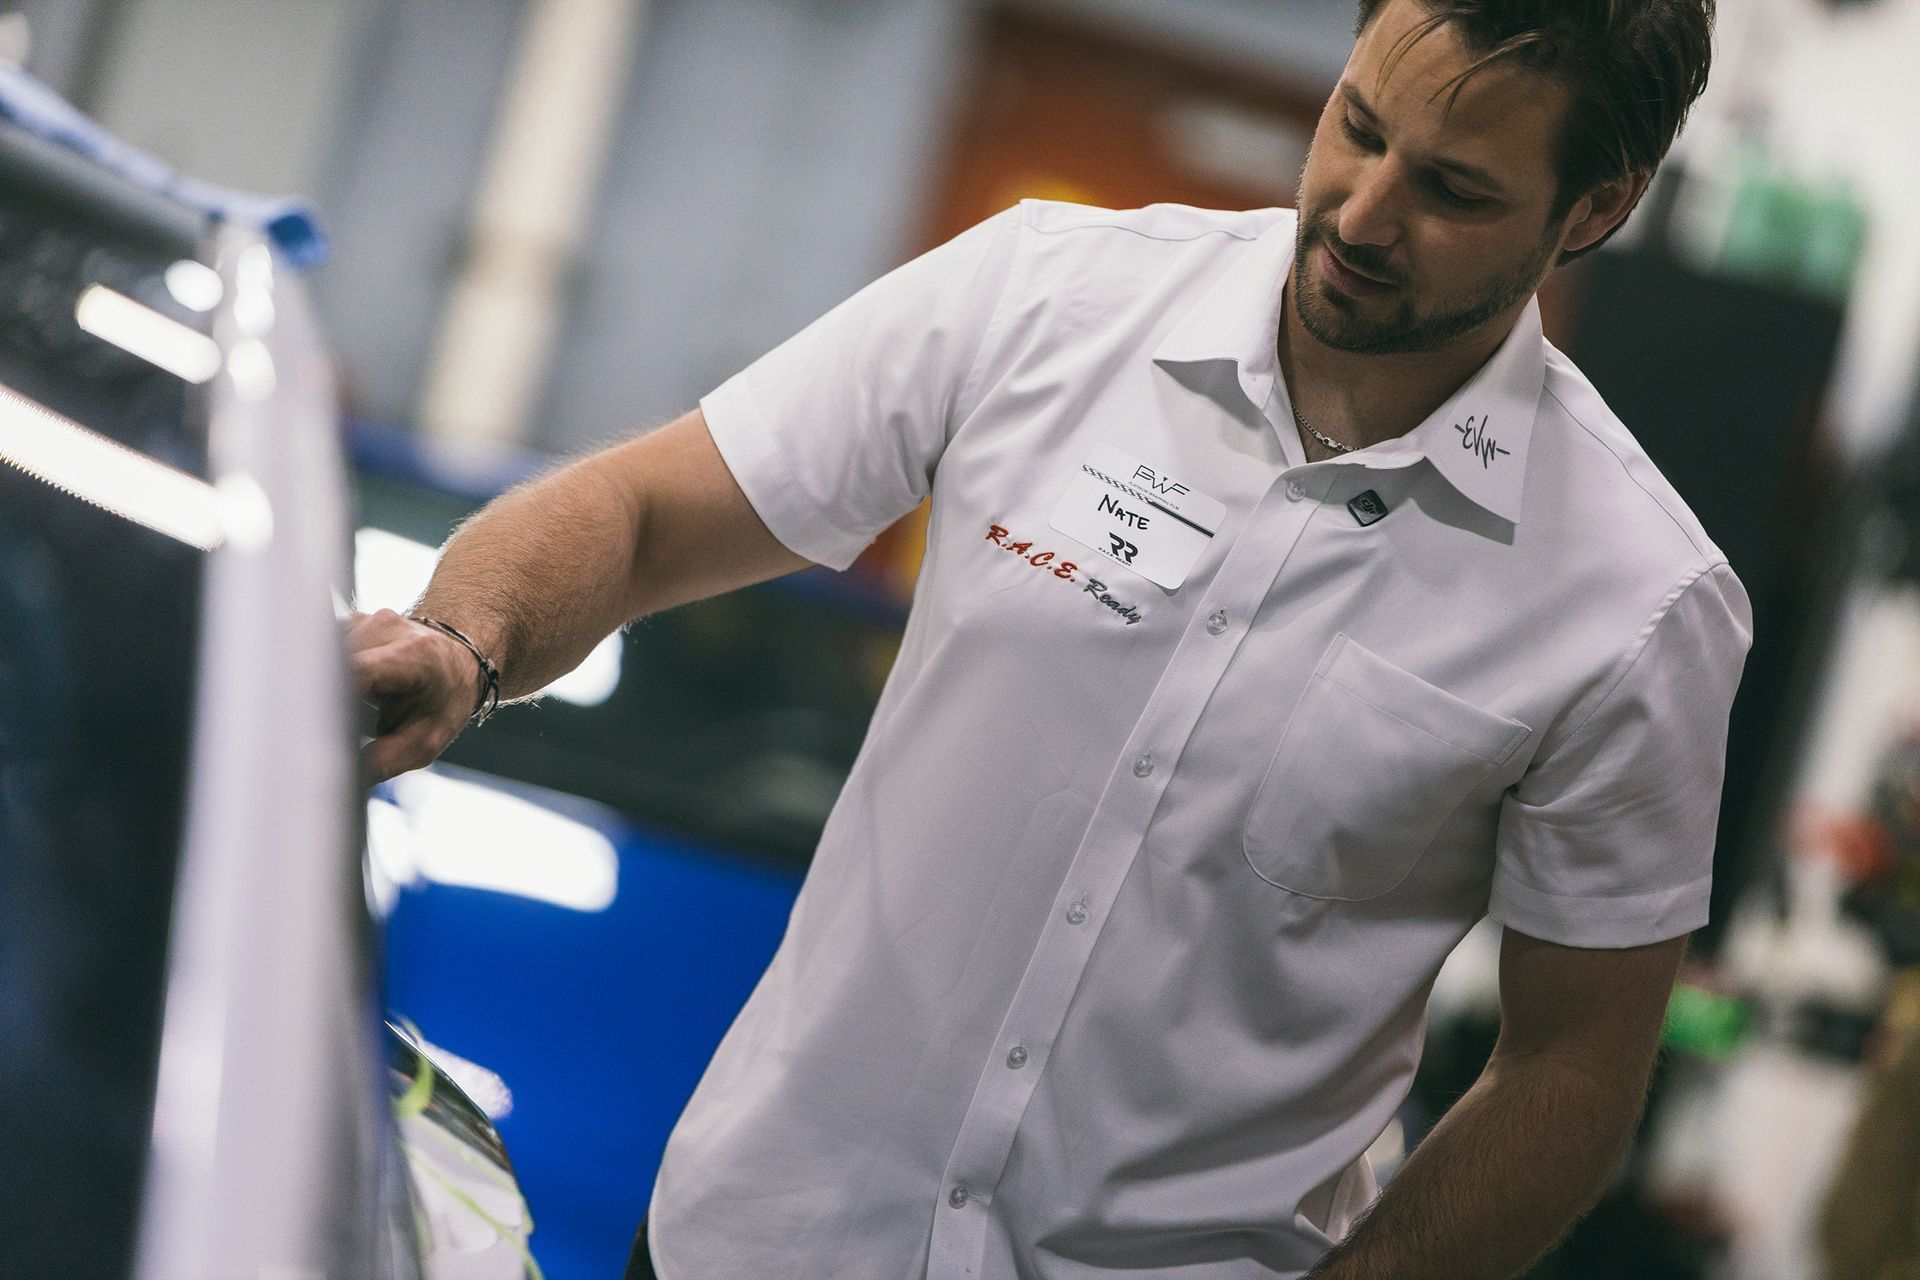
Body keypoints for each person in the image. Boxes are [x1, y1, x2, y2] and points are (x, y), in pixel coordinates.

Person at [348, 1, 1749, 1276]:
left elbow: (1572, 1070)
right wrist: (466, 646)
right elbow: (646, 512)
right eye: (1358, 126)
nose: (1360, 213)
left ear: (1595, 209)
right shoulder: (1048, 294)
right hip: (753, 1244)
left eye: (1451, 190)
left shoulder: (1635, 603)